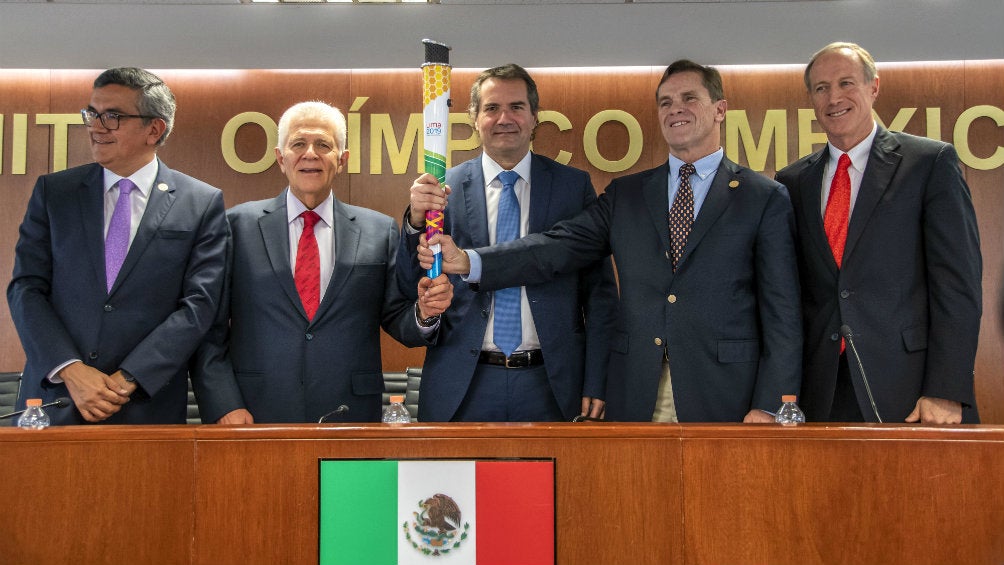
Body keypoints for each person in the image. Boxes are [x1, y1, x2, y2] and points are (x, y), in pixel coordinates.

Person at [419, 60, 802, 423]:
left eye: (689, 99)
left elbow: (782, 310)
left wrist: (772, 402)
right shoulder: (629, 194)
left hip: (726, 392)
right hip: (638, 389)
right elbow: (556, 246)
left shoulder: (762, 196)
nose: (676, 109)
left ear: (720, 109)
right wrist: (471, 261)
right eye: (665, 102)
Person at [191, 101, 452, 424]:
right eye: (298, 144)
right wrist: (224, 404)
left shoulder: (378, 230)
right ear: (280, 158)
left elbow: (397, 316)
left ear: (342, 160)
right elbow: (207, 328)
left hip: (350, 414)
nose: (310, 154)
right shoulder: (236, 226)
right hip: (253, 414)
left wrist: (424, 315)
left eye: (323, 145)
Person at [7, 67, 228, 424]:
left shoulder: (200, 202)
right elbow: (26, 288)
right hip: (57, 399)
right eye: (92, 114)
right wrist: (71, 370)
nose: (96, 127)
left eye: (113, 117)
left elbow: (199, 306)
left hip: (144, 403)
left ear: (154, 129)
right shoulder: (55, 193)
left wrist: (127, 379)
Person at [776, 42, 982, 424]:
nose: (834, 97)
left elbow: (957, 285)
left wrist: (946, 389)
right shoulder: (792, 181)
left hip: (911, 390)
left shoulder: (929, 163)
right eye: (821, 88)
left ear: (874, 87)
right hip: (820, 392)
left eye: (846, 83)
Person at [399, 64, 618, 422]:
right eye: (491, 108)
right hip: (463, 384)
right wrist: (414, 223)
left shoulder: (572, 187)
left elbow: (600, 294)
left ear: (535, 117)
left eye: (517, 107)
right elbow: (407, 288)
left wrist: (597, 379)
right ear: (474, 118)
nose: (505, 118)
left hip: (551, 383)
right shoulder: (441, 190)